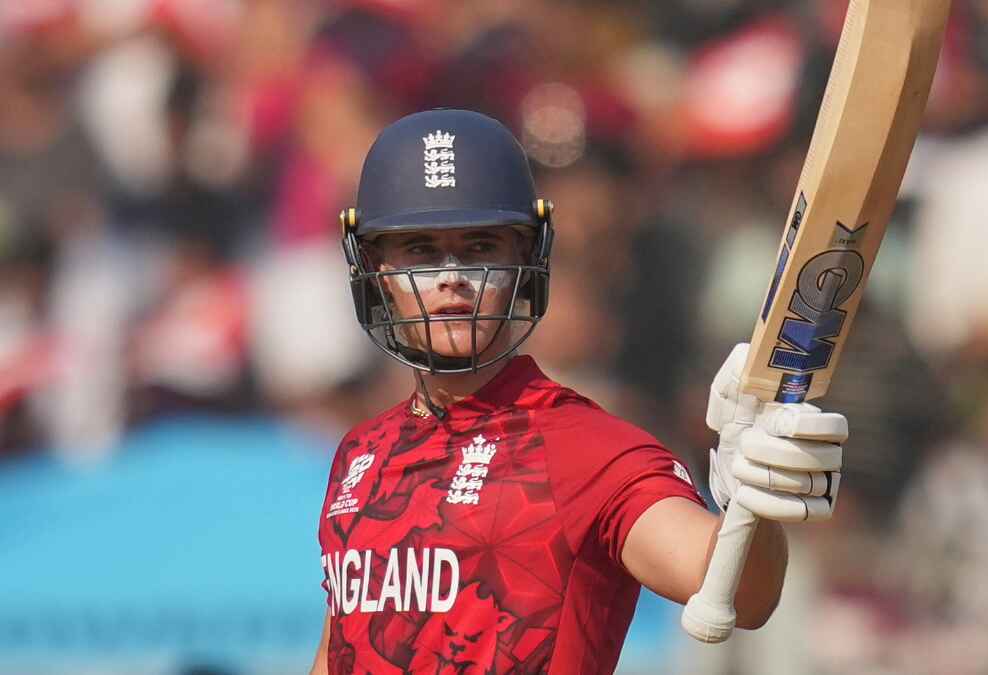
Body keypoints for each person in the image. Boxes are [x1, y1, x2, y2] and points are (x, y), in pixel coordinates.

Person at [311, 109, 846, 675]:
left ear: (527, 258)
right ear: (374, 267)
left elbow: (738, 594)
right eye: (419, 249)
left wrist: (754, 506)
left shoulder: (586, 448)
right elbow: (338, 654)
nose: (451, 277)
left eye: (480, 246)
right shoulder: (361, 453)